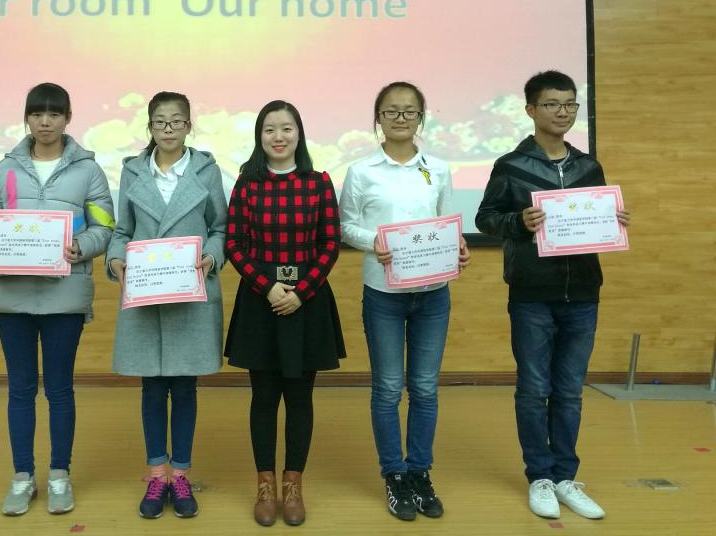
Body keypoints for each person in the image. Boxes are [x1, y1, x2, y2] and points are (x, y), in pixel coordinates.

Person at [475, 70, 630, 521]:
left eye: (570, 104)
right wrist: (517, 222)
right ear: (531, 110)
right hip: (531, 292)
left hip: (582, 291)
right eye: (552, 104)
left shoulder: (588, 166)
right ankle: (539, 476)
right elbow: (486, 217)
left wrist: (612, 220)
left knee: (570, 390)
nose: (562, 112)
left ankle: (565, 476)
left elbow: (594, 220)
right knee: (533, 388)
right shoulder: (511, 165)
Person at [0, 82, 115, 517]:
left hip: (64, 299)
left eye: (54, 114)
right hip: (13, 298)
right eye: (37, 114)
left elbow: (105, 226)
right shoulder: (5, 170)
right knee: (20, 390)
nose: (45, 122)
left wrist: (82, 246)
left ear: (67, 118)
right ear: (27, 118)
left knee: (59, 390)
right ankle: (22, 477)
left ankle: (59, 475)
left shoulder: (89, 171)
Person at [340, 81, 470, 521]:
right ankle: (394, 474)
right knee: (389, 388)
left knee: (426, 388)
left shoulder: (439, 169)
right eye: (391, 111)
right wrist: (373, 241)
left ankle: (419, 472)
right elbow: (345, 225)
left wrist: (458, 247)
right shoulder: (361, 171)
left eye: (409, 111)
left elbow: (448, 222)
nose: (400, 118)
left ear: (421, 118)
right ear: (378, 118)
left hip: (433, 294)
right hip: (384, 293)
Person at [106, 91, 227, 519]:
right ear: (150, 127)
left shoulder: (206, 170)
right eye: (160, 121)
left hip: (191, 292)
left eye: (176, 121)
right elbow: (122, 231)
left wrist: (212, 256)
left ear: (189, 126)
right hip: (147, 295)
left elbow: (220, 227)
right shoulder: (133, 171)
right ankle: (157, 475)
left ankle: (181, 475)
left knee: (186, 387)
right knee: (153, 388)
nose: (169, 128)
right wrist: (116, 260)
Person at [224, 99, 345, 527]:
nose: (279, 137)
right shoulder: (247, 184)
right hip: (261, 301)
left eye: (287, 128)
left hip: (306, 303)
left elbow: (330, 243)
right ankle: (265, 485)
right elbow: (234, 243)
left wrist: (301, 292)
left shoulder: (318, 182)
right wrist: (269, 286)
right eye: (270, 129)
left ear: (299, 134)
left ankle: (293, 486)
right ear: (260, 137)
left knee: (299, 398)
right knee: (263, 398)